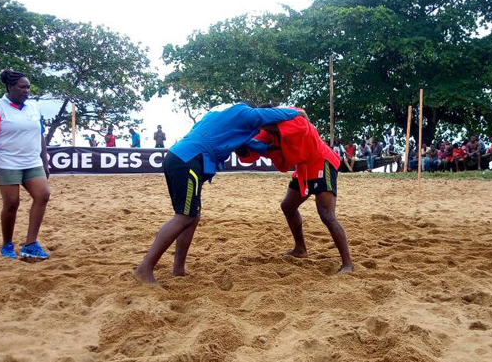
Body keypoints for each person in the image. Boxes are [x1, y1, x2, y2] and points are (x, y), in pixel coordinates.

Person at [133, 102, 306, 285]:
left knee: (192, 216)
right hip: (189, 160)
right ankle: (145, 268)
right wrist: (297, 113)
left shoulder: (224, 119)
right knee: (184, 217)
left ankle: (178, 269)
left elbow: (255, 146)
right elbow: (265, 116)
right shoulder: (244, 112)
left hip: (180, 157)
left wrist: (273, 148)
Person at [238, 116, 353, 274]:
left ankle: (347, 264)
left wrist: (265, 128)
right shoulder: (266, 132)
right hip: (303, 169)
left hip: (322, 161)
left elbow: (300, 121)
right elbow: (249, 153)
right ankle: (300, 249)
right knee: (288, 206)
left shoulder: (293, 120)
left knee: (326, 214)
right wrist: (238, 143)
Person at [0, 69, 51, 260]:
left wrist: (45, 161)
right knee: (12, 203)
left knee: (43, 195)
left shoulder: (34, 107)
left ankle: (30, 244)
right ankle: (7, 244)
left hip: (32, 161)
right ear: (10, 87)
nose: (26, 90)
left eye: (28, 87)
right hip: (7, 162)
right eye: (22, 87)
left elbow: (40, 135)